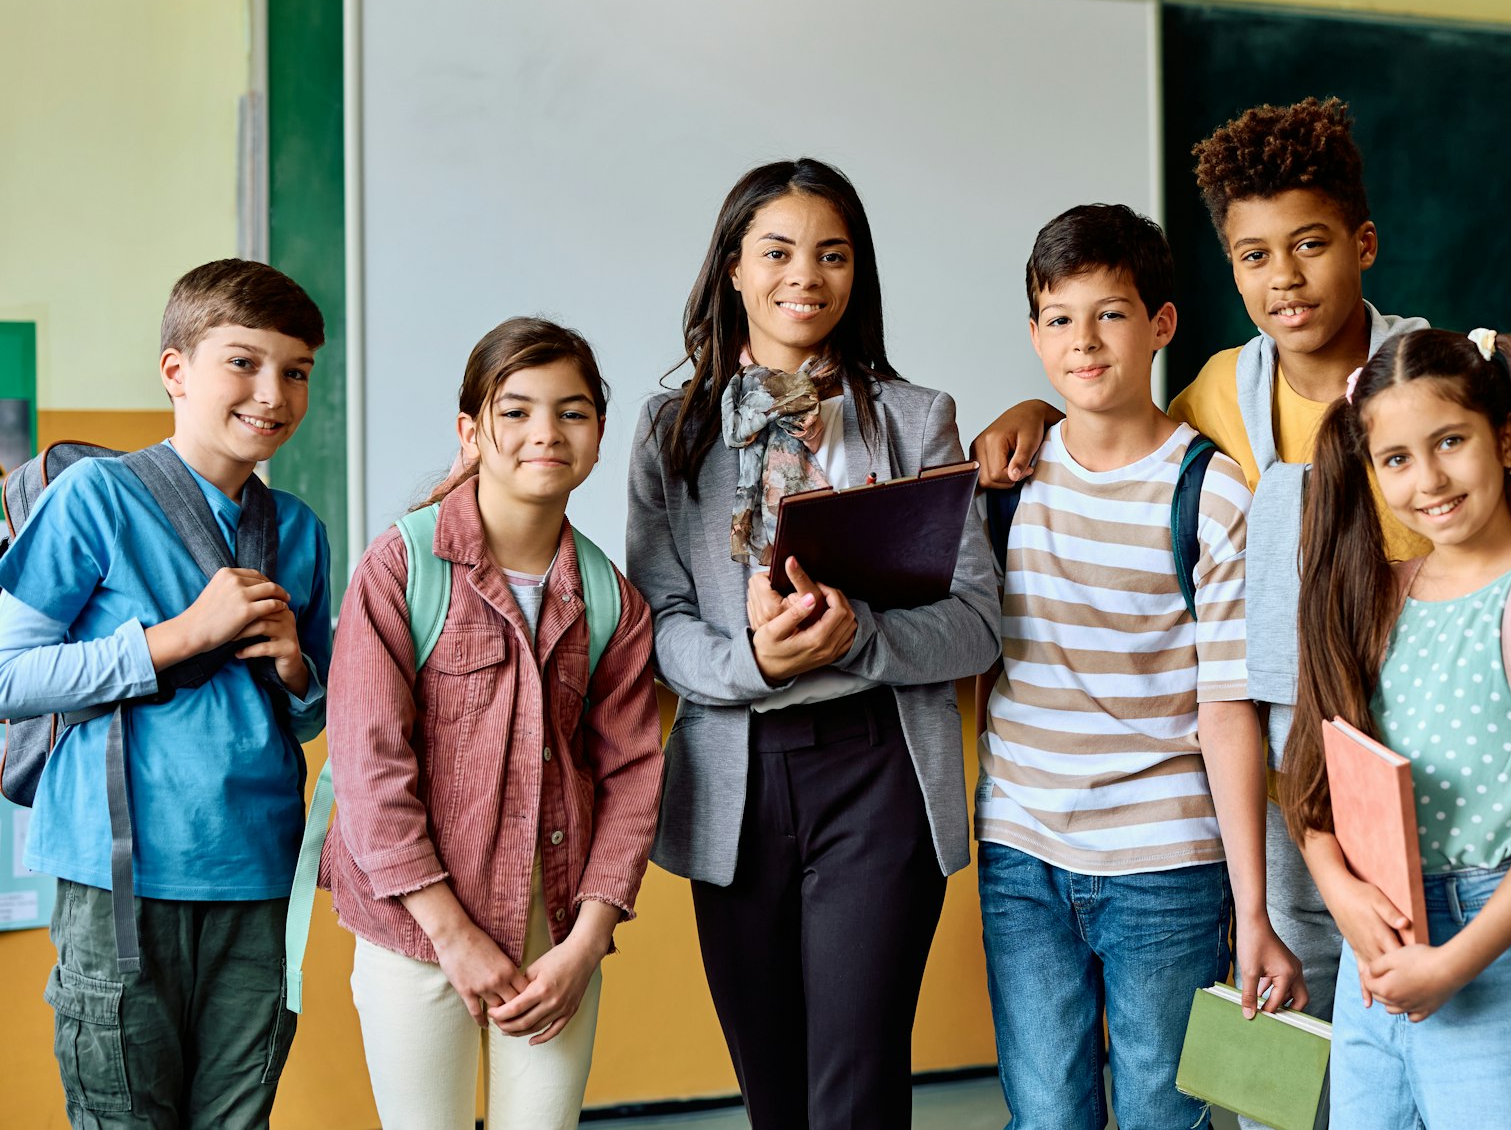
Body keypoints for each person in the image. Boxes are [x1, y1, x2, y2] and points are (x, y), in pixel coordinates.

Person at [971, 100, 1428, 1117]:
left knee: (1406, 1028)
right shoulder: (1224, 390)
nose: (1282, 277)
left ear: (1359, 244)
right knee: (1271, 1055)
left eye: (1306, 245)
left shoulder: (1430, 379)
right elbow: (1110, 428)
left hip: (1407, 750)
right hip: (1278, 766)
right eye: (1252, 254)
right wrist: (1034, 409)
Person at [626, 158, 1001, 1127]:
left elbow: (975, 621)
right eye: (779, 251)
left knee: (856, 1087)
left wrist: (857, 638)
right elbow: (659, 625)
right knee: (773, 1095)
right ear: (735, 270)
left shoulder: (917, 419)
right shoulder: (670, 429)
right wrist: (755, 663)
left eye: (832, 255)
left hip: (876, 769)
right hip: (734, 775)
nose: (807, 275)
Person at [0, 259, 331, 1127]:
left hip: (258, 877)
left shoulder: (297, 529)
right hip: (121, 881)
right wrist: (180, 636)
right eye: (244, 362)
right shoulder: (94, 498)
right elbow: (7, 676)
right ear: (175, 371)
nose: (273, 393)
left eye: (295, 370)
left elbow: (309, 712)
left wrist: (296, 668)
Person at [1280, 326, 1511, 1130]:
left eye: (1451, 442)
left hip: (1498, 942)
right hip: (1374, 945)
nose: (1428, 479)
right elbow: (1313, 785)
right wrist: (1343, 897)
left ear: (1505, 440)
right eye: (1397, 458)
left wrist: (1450, 964)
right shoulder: (1379, 595)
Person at [975, 204, 1282, 1128]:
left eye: (1110, 313)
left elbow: (1228, 709)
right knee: (1045, 1116)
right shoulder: (1005, 480)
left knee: (1163, 1114)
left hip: (1167, 864)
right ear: (1034, 335)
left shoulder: (1215, 491)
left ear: (1161, 324)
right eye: (1060, 318)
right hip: (1021, 851)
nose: (1084, 341)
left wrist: (1252, 904)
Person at [324, 317, 663, 1130]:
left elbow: (632, 779)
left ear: (599, 431)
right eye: (515, 411)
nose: (545, 431)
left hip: (556, 939)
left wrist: (586, 943)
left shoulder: (613, 598)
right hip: (416, 927)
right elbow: (371, 769)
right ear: (470, 431)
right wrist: (454, 935)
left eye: (572, 411)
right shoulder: (400, 567)